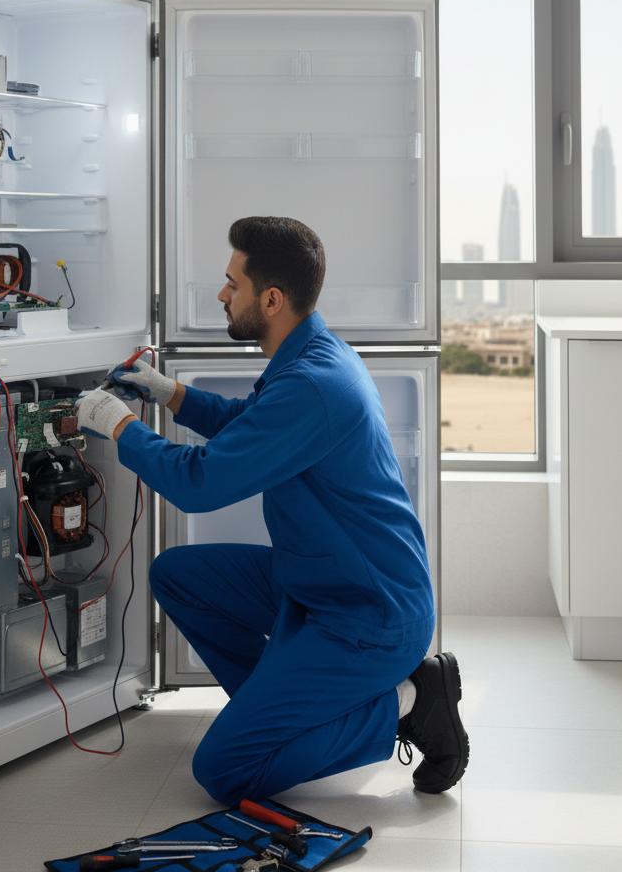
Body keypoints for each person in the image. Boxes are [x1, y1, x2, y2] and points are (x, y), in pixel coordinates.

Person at [77, 216, 468, 806]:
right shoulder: (309, 352)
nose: (221, 294)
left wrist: (119, 426)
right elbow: (250, 426)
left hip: (369, 614)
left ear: (272, 299)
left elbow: (198, 483)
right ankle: (285, 711)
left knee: (224, 770)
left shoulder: (314, 382)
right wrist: (167, 392)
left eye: (232, 283)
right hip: (318, 582)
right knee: (176, 575)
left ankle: (410, 702)